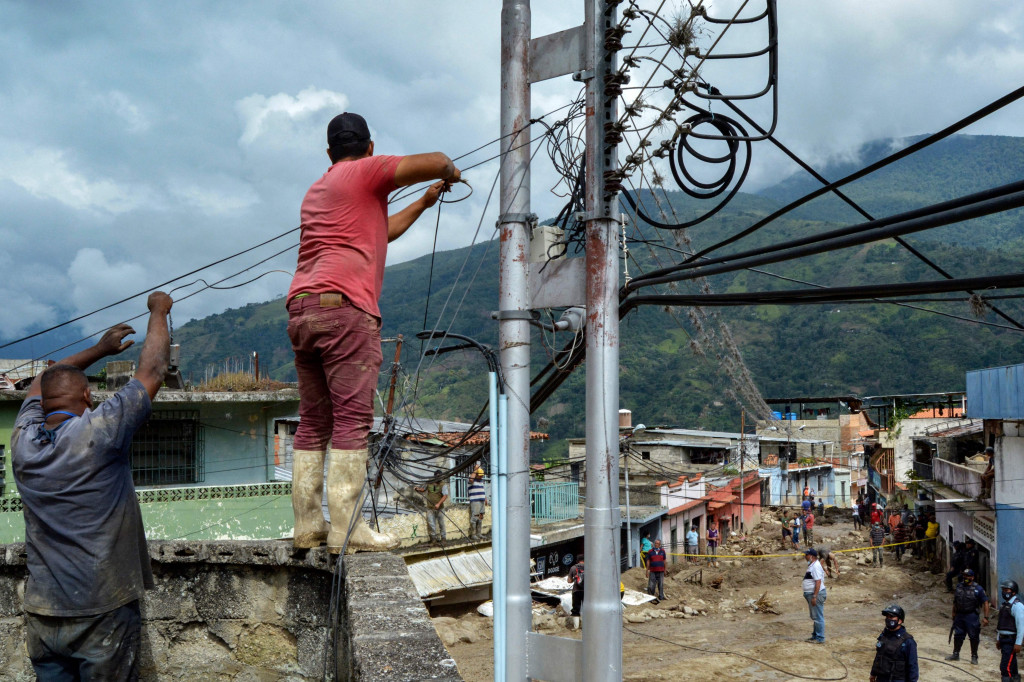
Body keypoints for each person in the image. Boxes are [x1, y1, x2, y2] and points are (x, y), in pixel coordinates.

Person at [287, 111, 461, 553]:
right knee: (351, 420)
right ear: (368, 147)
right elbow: (439, 160)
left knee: (313, 421)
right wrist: (451, 172)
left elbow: (383, 233)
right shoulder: (367, 170)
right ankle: (348, 530)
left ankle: (308, 525)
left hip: (303, 309)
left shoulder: (320, 190)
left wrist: (422, 203)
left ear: (329, 153)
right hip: (345, 309)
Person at [11, 295, 173, 680]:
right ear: (87, 396)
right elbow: (152, 370)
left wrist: (99, 349)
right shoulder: (99, 432)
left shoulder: (22, 439)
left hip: (43, 611)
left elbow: (40, 383)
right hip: (101, 608)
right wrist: (159, 311)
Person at [946, 568, 990, 665]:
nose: (965, 578)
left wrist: (986, 617)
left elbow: (985, 603)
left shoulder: (978, 589)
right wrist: (953, 613)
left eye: (968, 576)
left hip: (972, 616)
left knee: (973, 636)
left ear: (972, 577)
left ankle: (974, 656)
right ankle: (956, 654)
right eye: (964, 576)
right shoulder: (959, 586)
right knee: (958, 635)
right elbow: (955, 601)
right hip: (960, 615)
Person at [870, 604, 919, 682]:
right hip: (881, 678)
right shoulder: (884, 635)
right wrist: (873, 673)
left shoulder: (908, 641)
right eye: (887, 617)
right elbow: (878, 656)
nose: (888, 619)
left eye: (891, 617)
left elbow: (912, 666)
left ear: (900, 620)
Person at [997, 579, 1024, 682]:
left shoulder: (1017, 606)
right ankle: (1016, 678)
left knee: (1005, 667)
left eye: (1007, 590)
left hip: (1011, 640)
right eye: (1003, 589)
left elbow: (1021, 626)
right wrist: (998, 639)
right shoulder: (1004, 605)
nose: (1004, 592)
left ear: (1013, 592)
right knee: (1012, 665)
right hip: (1004, 640)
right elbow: (1000, 624)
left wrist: (1018, 643)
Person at [415, 470, 449, 544]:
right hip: (430, 507)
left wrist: (438, 504)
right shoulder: (429, 483)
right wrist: (418, 489)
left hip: (440, 508)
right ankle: (433, 539)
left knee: (441, 523)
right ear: (435, 476)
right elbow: (423, 489)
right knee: (431, 523)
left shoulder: (443, 485)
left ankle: (443, 538)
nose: (438, 478)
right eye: (437, 476)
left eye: (440, 477)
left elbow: (445, 496)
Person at [802, 548, 827, 643]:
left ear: (811, 556)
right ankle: (815, 636)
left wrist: (814, 596)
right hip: (813, 594)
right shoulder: (813, 565)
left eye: (806, 555)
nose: (805, 557)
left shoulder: (815, 566)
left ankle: (820, 638)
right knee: (815, 616)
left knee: (818, 616)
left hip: (816, 594)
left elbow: (818, 582)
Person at [467, 467, 487, 540]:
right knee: (475, 517)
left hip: (481, 500)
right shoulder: (471, 480)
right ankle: (473, 534)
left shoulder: (481, 481)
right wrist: (475, 470)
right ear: (476, 474)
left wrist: (485, 498)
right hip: (475, 501)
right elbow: (471, 479)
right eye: (480, 475)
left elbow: (482, 489)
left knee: (481, 517)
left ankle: (479, 533)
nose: (481, 476)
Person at [567, 555, 585, 628]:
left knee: (576, 609)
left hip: (576, 591)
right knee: (587, 608)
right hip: (587, 591)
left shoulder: (573, 568)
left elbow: (569, 580)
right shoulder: (589, 567)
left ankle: (576, 627)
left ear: (577, 560)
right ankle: (586, 626)